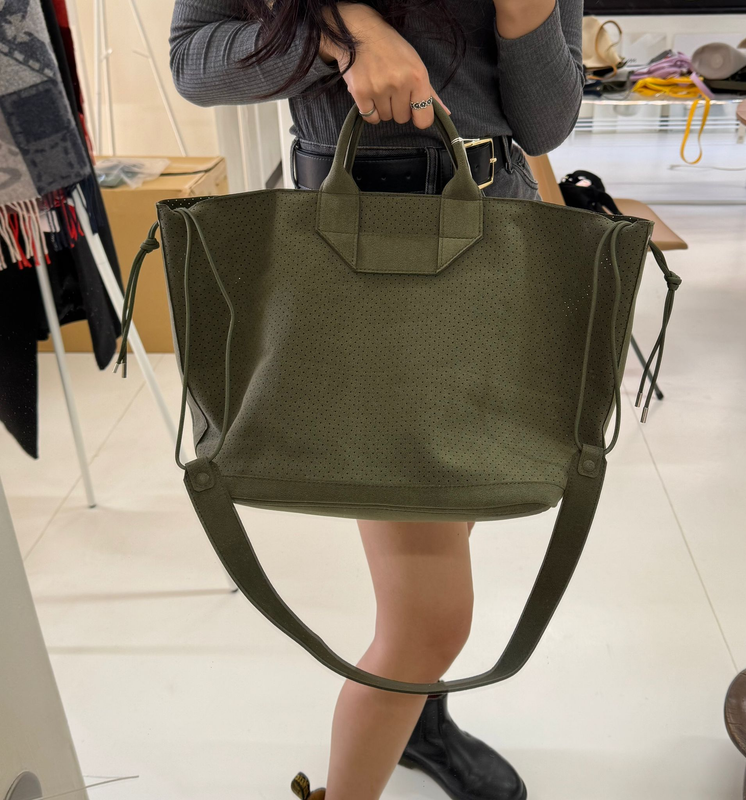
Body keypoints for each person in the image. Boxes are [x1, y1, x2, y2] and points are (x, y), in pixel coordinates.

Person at [169, 2, 584, 798]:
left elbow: (545, 124)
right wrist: (338, 35)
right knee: (430, 621)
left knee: (455, 515)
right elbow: (196, 62)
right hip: (366, 259)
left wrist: (525, 13)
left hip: (498, 247)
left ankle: (418, 718)